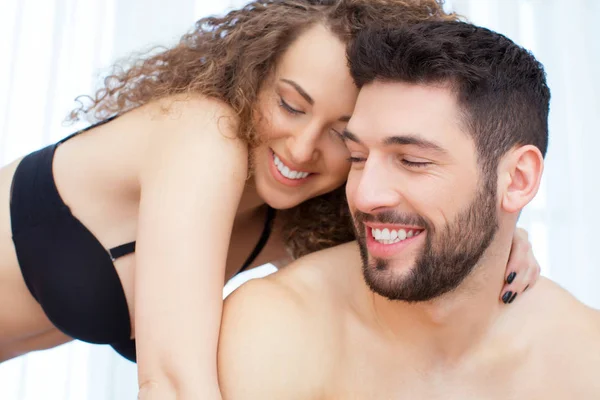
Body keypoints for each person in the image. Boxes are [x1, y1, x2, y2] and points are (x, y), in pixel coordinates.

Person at [0, 1, 538, 398]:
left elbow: (417, 268)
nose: (303, 149)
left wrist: (505, 239)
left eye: (342, 133)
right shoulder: (199, 135)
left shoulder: (291, 220)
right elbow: (172, 382)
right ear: (252, 75)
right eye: (290, 104)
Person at [218, 20, 600, 399]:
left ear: (517, 180)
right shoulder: (276, 328)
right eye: (357, 157)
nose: (365, 196)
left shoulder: (584, 362)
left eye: (413, 161)